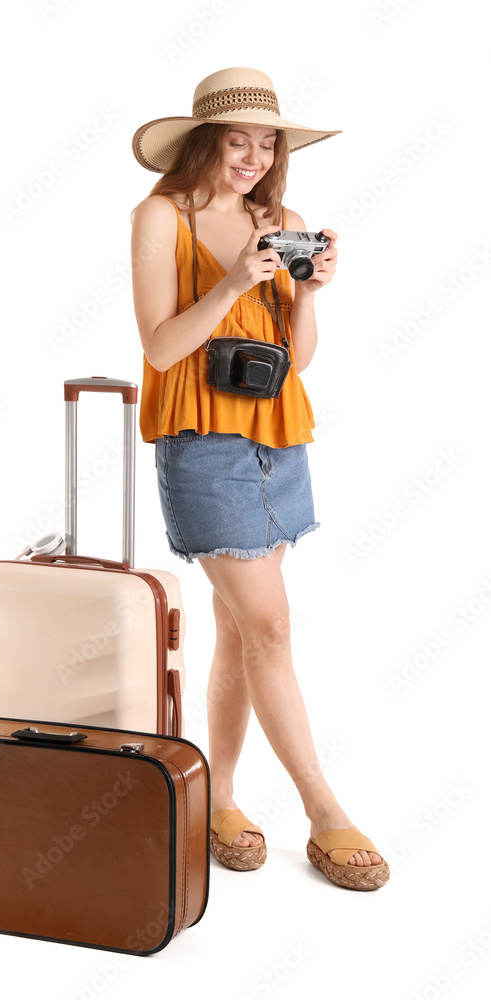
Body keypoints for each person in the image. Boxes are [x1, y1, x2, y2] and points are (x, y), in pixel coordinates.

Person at [130, 67, 390, 890]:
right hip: (201, 443)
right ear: (205, 138)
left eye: (267, 140)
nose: (252, 155)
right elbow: (162, 348)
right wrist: (236, 280)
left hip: (278, 439)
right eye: (237, 138)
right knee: (271, 629)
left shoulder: (282, 222)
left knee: (244, 630)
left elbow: (297, 361)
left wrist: (305, 295)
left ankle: (222, 799)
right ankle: (323, 810)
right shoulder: (157, 218)